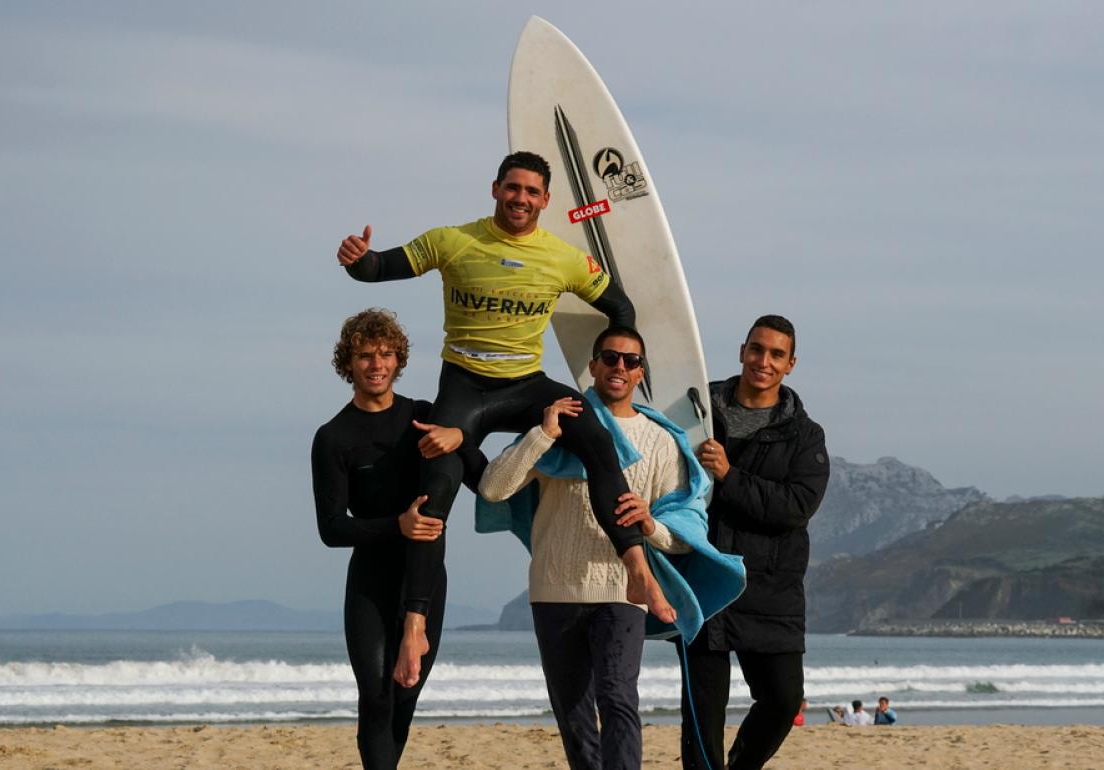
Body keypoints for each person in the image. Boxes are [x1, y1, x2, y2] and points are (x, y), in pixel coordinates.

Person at [337, 151, 674, 688]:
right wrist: (358, 259)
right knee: (434, 490)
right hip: (464, 388)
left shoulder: (563, 259)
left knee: (595, 437)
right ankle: (415, 625)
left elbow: (621, 310)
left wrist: (608, 373)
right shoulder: (454, 242)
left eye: (531, 192)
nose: (520, 199)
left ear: (545, 200)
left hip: (527, 385)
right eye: (512, 188)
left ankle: (635, 564)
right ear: (495, 188)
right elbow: (379, 268)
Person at [478, 327, 693, 770]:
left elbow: (682, 532)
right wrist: (543, 434)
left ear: (641, 373)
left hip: (622, 590)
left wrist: (650, 525)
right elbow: (493, 489)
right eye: (609, 358)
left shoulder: (661, 441)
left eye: (630, 361)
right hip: (554, 589)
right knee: (574, 721)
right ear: (591, 366)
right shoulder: (563, 426)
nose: (619, 367)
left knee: (617, 698)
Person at [310, 308, 485, 769]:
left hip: (424, 581)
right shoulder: (333, 437)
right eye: (365, 355)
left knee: (405, 696)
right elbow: (331, 528)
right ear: (347, 363)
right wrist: (396, 526)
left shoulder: (423, 417)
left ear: (399, 359)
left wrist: (460, 436)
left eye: (386, 354)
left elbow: (481, 477)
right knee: (376, 696)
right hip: (370, 579)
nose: (376, 364)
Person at [677, 315, 830, 770]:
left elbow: (796, 507)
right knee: (701, 716)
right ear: (742, 350)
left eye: (776, 354)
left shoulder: (805, 435)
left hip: (771, 588)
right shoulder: (698, 411)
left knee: (784, 700)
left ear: (791, 365)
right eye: (757, 349)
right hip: (703, 580)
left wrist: (729, 476)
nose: (764, 361)